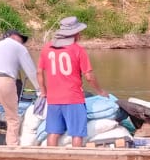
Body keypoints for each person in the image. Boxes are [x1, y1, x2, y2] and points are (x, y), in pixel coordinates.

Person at [36, 16, 107, 147]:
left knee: (53, 133)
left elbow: (39, 72)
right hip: (73, 98)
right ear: (76, 34)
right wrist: (100, 91)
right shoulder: (78, 50)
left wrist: (43, 92)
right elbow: (89, 76)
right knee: (77, 134)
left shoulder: (46, 49)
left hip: (53, 99)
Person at [0, 28, 39, 146]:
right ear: (14, 37)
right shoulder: (19, 47)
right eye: (21, 39)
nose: (22, 42)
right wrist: (40, 90)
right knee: (13, 118)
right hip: (5, 80)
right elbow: (31, 71)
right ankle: (12, 147)